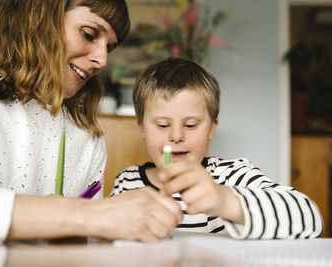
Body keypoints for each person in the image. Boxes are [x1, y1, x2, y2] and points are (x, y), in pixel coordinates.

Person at [0, 0, 182, 244]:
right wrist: (86, 215)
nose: (103, 60)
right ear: (39, 15)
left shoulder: (86, 134)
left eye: (109, 47)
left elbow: (85, 241)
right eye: (89, 34)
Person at [111, 57, 324, 239]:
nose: (176, 136)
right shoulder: (127, 183)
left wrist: (226, 201)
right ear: (142, 128)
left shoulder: (233, 175)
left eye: (191, 125)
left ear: (212, 128)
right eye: (163, 125)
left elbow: (312, 219)